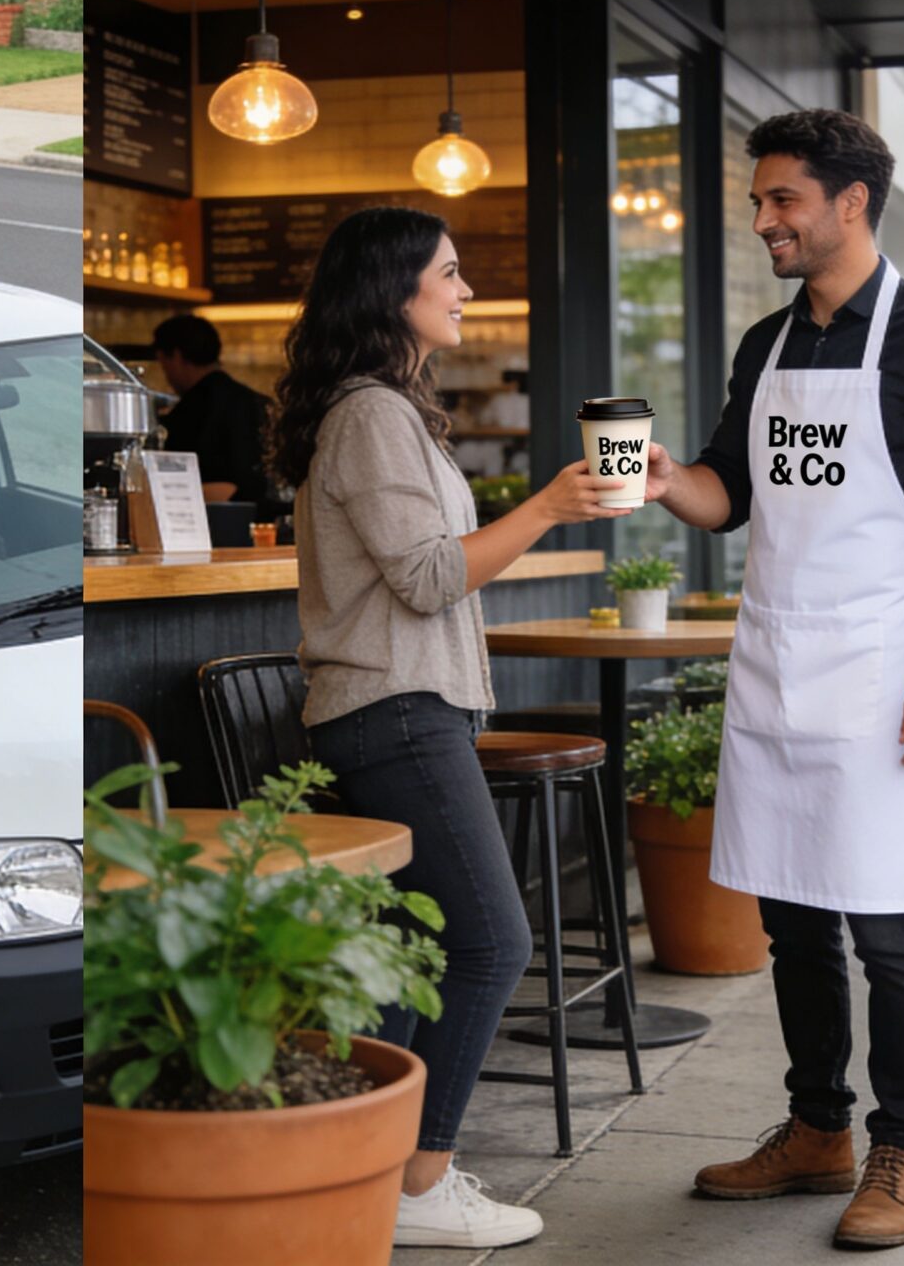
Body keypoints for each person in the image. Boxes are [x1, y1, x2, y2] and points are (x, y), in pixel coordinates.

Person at [638, 109, 904, 1251]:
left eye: (782, 199)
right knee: (791, 925)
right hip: (775, 667)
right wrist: (661, 479)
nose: (763, 221)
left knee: (889, 932)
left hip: (883, 677)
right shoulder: (765, 346)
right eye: (758, 201)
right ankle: (816, 1130)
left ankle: (903, 1148)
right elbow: (726, 494)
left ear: (851, 203)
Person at [271, 206, 632, 1251]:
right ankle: (417, 1185)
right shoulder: (372, 414)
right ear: (395, 291)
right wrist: (546, 507)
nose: (467, 289)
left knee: (420, 955)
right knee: (490, 942)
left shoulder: (387, 409)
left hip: (406, 712)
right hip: (392, 714)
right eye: (451, 272)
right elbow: (429, 579)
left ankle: (355, 1169)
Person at [151, 312, 272, 505]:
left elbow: (175, 487)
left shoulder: (187, 413)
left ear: (176, 356)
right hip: (274, 525)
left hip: (217, 524)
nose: (168, 377)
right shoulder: (258, 401)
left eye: (164, 367)